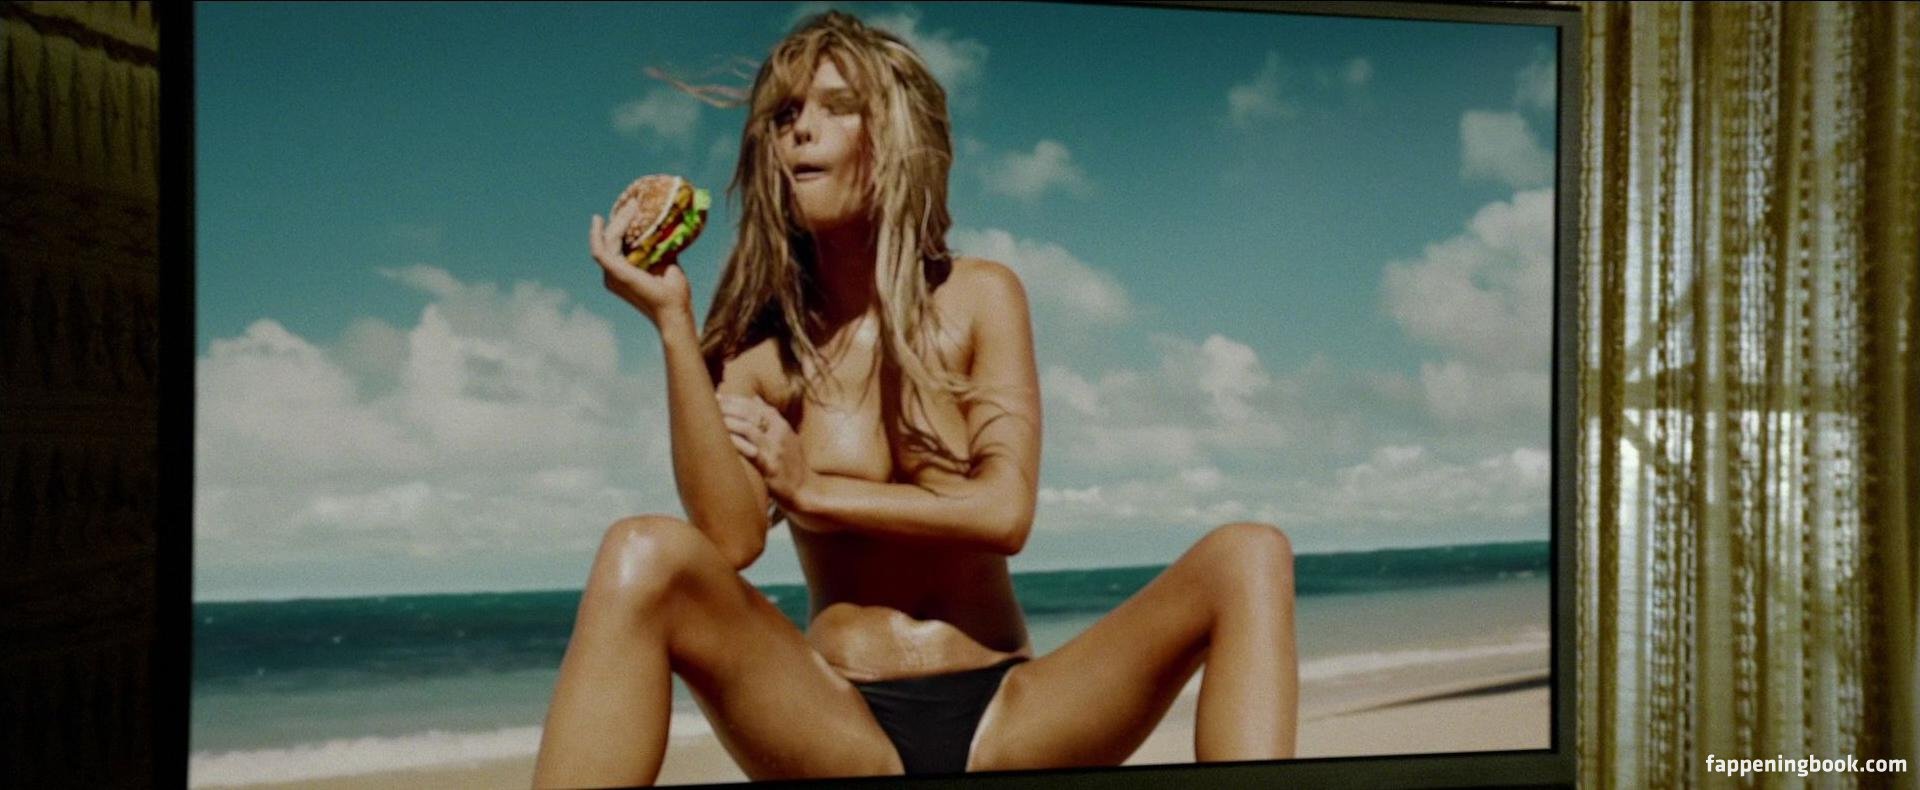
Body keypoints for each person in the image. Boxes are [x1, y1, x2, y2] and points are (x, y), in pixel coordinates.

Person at [535, 11, 1297, 787]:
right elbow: (729, 541)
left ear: (896, 137)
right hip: (839, 723)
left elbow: (1005, 513)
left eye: (838, 107)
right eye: (786, 115)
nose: (802, 130)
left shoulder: (981, 297)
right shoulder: (757, 351)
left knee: (1249, 554)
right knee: (641, 550)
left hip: (1011, 715)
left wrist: (812, 490)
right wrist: (673, 325)